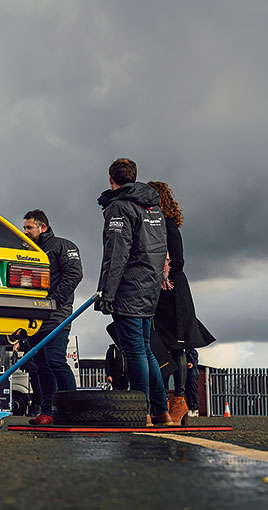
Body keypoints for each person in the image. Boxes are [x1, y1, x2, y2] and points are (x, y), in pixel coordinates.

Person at [96, 158, 174, 426]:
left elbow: (116, 253)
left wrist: (107, 293)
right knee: (145, 350)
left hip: (129, 288)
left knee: (135, 352)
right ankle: (161, 412)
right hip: (149, 287)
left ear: (111, 179)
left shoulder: (119, 207)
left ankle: (141, 412)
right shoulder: (153, 207)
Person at [147, 181, 215, 424]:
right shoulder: (152, 226)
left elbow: (178, 262)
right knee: (158, 346)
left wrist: (163, 280)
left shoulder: (169, 225)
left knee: (177, 345)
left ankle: (180, 400)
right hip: (157, 291)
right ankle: (163, 400)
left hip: (172, 292)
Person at [19, 210, 84, 425]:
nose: (25, 231)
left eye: (29, 227)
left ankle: (73, 410)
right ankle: (48, 412)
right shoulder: (27, 251)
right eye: (24, 227)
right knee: (41, 366)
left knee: (55, 361)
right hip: (34, 317)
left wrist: (54, 300)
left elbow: (75, 274)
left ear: (42, 227)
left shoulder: (63, 246)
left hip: (57, 314)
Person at [185, 348, 200, 417]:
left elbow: (195, 360)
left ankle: (195, 409)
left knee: (192, 391)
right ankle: (191, 409)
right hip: (189, 373)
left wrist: (192, 363)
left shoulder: (192, 351)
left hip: (192, 373)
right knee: (188, 391)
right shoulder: (187, 350)